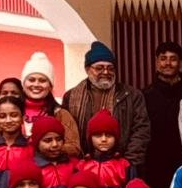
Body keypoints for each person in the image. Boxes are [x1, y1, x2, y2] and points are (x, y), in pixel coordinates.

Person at [61, 40, 151, 169]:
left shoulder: (132, 95)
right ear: (87, 69)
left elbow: (141, 131)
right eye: (99, 68)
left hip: (121, 167)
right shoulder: (70, 97)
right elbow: (66, 133)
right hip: (82, 167)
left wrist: (128, 164)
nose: (105, 72)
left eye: (110, 68)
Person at [0, 54, 82, 157]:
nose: (36, 84)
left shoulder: (60, 114)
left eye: (42, 80)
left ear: (50, 86)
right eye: (31, 80)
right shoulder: (9, 111)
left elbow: (74, 148)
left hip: (48, 167)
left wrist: (44, 148)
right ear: (23, 84)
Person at [142, 41, 182, 188]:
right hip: (153, 165)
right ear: (156, 62)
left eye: (173, 59)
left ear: (180, 63)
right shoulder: (144, 95)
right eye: (163, 58)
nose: (168, 63)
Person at [79, 109, 137, 188]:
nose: (104, 139)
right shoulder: (82, 166)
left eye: (109, 135)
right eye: (98, 135)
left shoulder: (125, 166)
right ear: (90, 138)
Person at [31, 115, 78, 188]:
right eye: (48, 140)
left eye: (58, 139)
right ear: (37, 143)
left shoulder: (73, 165)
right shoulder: (32, 169)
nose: (55, 144)